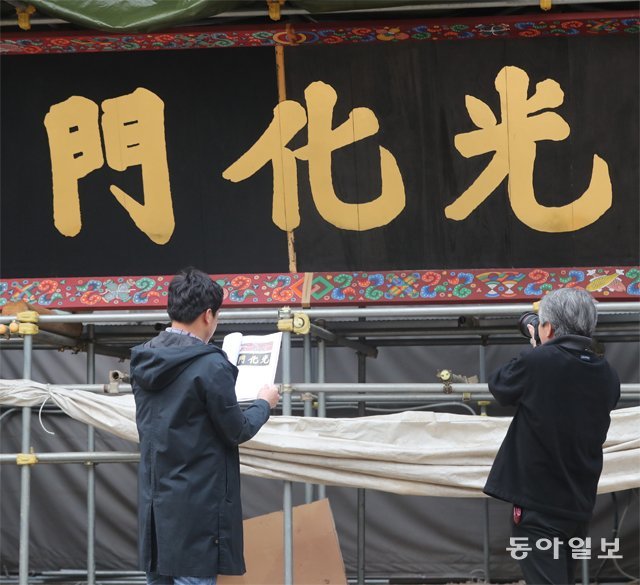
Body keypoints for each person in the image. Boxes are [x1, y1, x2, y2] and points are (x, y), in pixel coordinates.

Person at [130, 267, 280, 585]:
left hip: (156, 507)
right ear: (208, 315)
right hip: (197, 511)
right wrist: (264, 403)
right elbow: (236, 429)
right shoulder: (210, 365)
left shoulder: (144, 360)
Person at [483, 287, 620, 585]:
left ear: (548, 328)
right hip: (577, 503)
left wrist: (539, 348)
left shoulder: (538, 363)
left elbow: (500, 386)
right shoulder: (607, 374)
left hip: (538, 505)